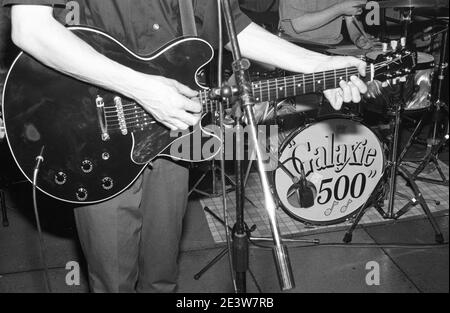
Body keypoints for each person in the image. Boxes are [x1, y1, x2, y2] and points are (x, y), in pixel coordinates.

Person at [3, 0, 367, 293]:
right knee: (113, 282)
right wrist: (142, 89)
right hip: (94, 131)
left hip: (174, 133)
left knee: (161, 277)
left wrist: (320, 66)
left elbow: (234, 29)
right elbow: (30, 27)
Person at [279, 0, 377, 49]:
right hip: (296, 46)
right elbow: (299, 25)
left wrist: (357, 37)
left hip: (331, 46)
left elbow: (351, 17)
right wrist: (340, 8)